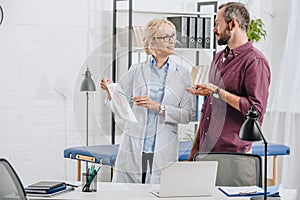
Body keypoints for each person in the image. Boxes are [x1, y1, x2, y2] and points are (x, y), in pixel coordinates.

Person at [100, 18, 195, 184]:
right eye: (166, 37)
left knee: (158, 191)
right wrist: (111, 93)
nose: (172, 41)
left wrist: (159, 107)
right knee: (130, 194)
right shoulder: (136, 70)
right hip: (135, 145)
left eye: (173, 36)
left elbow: (188, 115)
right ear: (152, 41)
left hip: (163, 146)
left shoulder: (183, 73)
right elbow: (124, 108)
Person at [187, 2, 271, 160]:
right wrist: (195, 147)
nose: (214, 29)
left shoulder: (255, 61)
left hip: (233, 153)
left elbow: (256, 110)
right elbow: (207, 107)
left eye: (217, 24)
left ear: (233, 24)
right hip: (206, 150)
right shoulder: (218, 58)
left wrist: (218, 91)